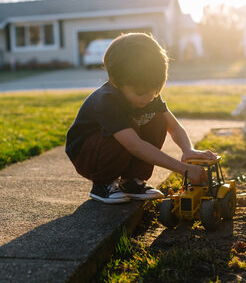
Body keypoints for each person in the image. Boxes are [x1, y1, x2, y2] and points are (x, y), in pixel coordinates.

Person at [65, 33, 216, 204]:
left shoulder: (149, 96)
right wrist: (184, 169)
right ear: (115, 82)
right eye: (140, 92)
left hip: (117, 144)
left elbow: (173, 126)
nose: (148, 97)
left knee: (158, 120)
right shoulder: (107, 101)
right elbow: (135, 146)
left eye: (154, 90)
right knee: (128, 133)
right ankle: (102, 184)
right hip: (87, 153)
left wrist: (188, 150)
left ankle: (132, 181)